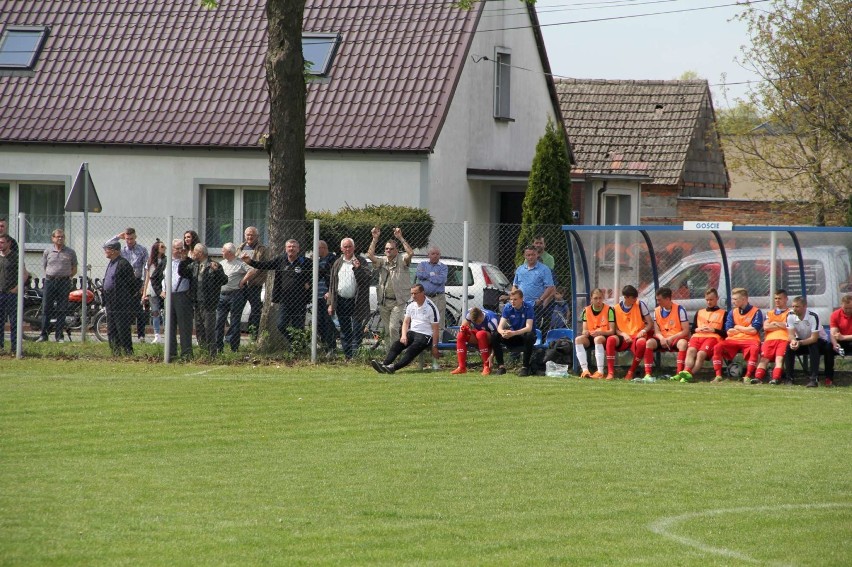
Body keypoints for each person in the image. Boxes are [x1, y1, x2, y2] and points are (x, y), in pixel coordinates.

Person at [242, 238, 312, 343]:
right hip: (284, 300)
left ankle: (297, 349)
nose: (291, 249)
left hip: (300, 300)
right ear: (285, 249)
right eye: (289, 247)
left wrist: (309, 283)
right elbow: (264, 265)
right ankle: (294, 343)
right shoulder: (280, 260)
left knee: (298, 327)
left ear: (298, 249)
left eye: (294, 247)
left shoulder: (305, 262)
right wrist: (250, 262)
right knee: (281, 325)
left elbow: (319, 273)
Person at [370, 284, 440, 374]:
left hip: (425, 335)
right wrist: (403, 335)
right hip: (412, 332)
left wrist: (434, 347)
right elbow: (406, 322)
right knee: (397, 345)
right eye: (412, 294)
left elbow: (435, 329)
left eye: (415, 293)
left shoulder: (431, 307)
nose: (413, 296)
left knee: (411, 350)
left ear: (423, 293)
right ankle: (384, 364)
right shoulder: (411, 305)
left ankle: (394, 367)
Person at [367, 226, 413, 346]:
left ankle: (395, 352)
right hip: (384, 301)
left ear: (396, 251)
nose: (388, 251)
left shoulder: (402, 260)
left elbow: (410, 253)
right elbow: (370, 256)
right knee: (387, 331)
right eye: (386, 249)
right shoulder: (382, 261)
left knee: (393, 327)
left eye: (391, 249)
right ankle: (390, 354)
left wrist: (400, 237)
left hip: (398, 301)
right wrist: (375, 239)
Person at [327, 237, 371, 361]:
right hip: (341, 301)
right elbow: (332, 284)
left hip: (357, 301)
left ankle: (355, 355)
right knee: (345, 330)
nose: (347, 249)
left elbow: (366, 280)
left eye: (349, 246)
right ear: (341, 249)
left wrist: (358, 269)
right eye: (345, 247)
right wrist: (330, 303)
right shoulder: (337, 263)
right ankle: (348, 356)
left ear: (354, 248)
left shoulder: (361, 261)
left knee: (357, 329)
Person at [711, 287, 764, 384]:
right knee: (717, 347)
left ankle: (747, 376)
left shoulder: (756, 312)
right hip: (733, 339)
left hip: (750, 340)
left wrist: (737, 327)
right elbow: (729, 331)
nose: (733, 301)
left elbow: (753, 330)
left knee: (754, 349)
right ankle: (718, 375)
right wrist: (745, 329)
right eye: (733, 299)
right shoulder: (733, 312)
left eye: (735, 299)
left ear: (744, 299)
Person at [104, 228, 148, 342]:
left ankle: (141, 335)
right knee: (124, 311)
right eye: (127, 239)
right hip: (124, 283)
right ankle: (122, 336)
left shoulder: (142, 250)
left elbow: (146, 268)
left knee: (139, 310)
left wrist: (144, 285)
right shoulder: (122, 250)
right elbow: (106, 245)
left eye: (131, 238)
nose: (129, 241)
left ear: (135, 237)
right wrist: (118, 237)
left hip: (137, 281)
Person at [676, 288, 726, 383]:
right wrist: (697, 329)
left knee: (700, 354)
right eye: (707, 299)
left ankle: (689, 374)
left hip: (712, 338)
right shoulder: (699, 312)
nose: (709, 302)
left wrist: (714, 330)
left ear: (717, 298)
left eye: (711, 299)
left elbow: (726, 332)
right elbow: (692, 329)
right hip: (697, 336)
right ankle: (686, 371)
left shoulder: (723, 313)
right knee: (690, 351)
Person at [604, 285, 653, 381]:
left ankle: (630, 372)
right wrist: (623, 334)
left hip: (637, 335)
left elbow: (650, 323)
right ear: (626, 297)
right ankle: (610, 373)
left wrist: (643, 331)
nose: (635, 299)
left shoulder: (640, 305)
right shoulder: (615, 308)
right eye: (633, 298)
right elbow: (616, 329)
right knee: (610, 340)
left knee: (642, 342)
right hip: (624, 337)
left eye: (636, 297)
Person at [37, 228, 78, 343]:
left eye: (62, 237)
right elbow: (45, 267)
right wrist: (53, 275)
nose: (60, 239)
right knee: (46, 308)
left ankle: (59, 336)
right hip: (50, 282)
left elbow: (74, 268)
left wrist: (66, 276)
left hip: (64, 282)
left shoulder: (70, 252)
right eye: (57, 237)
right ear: (53, 238)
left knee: (61, 309)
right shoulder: (47, 251)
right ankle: (43, 335)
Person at [646, 287, 690, 381]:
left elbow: (685, 330)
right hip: (662, 338)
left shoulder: (680, 309)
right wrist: (661, 338)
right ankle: (647, 374)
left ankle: (679, 373)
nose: (658, 302)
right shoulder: (657, 311)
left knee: (683, 343)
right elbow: (656, 331)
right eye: (657, 300)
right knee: (649, 342)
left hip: (676, 338)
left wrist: (671, 338)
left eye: (659, 300)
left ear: (667, 299)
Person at [785, 295, 830, 387]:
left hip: (819, 341)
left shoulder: (813, 316)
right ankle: (789, 378)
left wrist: (799, 343)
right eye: (793, 306)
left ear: (805, 306)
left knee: (813, 346)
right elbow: (790, 334)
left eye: (797, 306)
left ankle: (814, 379)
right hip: (802, 340)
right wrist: (793, 341)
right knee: (789, 347)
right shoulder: (790, 315)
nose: (794, 309)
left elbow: (814, 338)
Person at [101, 240, 137, 355]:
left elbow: (132, 284)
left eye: (107, 249)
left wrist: (124, 297)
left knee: (122, 328)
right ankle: (115, 352)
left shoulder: (123, 264)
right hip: (110, 300)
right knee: (111, 329)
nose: (105, 251)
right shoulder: (111, 263)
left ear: (114, 250)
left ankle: (128, 352)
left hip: (120, 302)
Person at [191, 243, 227, 356]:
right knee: (199, 328)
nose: (193, 254)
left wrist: (217, 271)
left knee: (209, 329)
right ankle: (203, 352)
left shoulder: (214, 265)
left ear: (200, 253)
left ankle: (212, 354)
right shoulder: (194, 265)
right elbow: (182, 272)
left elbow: (224, 280)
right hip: (197, 302)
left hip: (209, 303)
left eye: (195, 252)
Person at [416, 245, 448, 369]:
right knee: (423, 326)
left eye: (437, 254)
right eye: (433, 254)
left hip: (438, 298)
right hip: (425, 299)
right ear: (428, 255)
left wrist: (428, 275)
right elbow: (419, 275)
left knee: (438, 327)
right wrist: (433, 274)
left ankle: (435, 361)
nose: (435, 256)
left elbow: (441, 280)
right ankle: (421, 362)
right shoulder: (422, 264)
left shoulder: (443, 267)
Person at [162, 238, 194, 360]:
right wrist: (161, 291)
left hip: (182, 296)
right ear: (171, 249)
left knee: (184, 326)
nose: (179, 251)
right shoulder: (165, 261)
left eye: (182, 248)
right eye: (177, 248)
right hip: (169, 296)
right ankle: (170, 353)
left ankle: (186, 354)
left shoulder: (188, 262)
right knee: (169, 326)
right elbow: (156, 276)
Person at [215, 242, 251, 353]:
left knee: (235, 322)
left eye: (223, 250)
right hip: (222, 295)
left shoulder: (239, 263)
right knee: (219, 321)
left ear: (229, 252)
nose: (221, 252)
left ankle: (234, 348)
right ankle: (218, 348)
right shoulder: (222, 263)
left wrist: (243, 282)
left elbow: (252, 270)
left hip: (235, 295)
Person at [493, 288, 537, 376]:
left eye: (515, 299)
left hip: (524, 337)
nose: (512, 302)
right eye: (511, 299)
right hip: (513, 336)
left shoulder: (528, 307)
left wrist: (513, 333)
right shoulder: (507, 307)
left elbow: (529, 327)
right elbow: (500, 327)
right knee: (495, 335)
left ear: (522, 299)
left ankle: (525, 367)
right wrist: (503, 333)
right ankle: (501, 367)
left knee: (529, 335)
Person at [573, 288, 615, 379]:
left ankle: (600, 372)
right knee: (578, 339)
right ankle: (585, 370)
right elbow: (584, 330)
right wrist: (586, 332)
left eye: (600, 298)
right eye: (595, 298)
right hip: (591, 336)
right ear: (591, 299)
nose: (598, 300)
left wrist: (600, 332)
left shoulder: (609, 310)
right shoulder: (586, 310)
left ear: (603, 298)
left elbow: (612, 331)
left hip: (603, 336)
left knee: (598, 339)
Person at [513, 245, 555, 333]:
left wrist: (541, 299)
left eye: (533, 255)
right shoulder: (520, 269)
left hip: (535, 305)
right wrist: (514, 299)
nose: (530, 257)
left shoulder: (544, 269)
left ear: (537, 255)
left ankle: (534, 345)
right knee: (519, 327)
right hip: (520, 304)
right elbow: (515, 286)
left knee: (533, 329)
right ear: (524, 256)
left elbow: (550, 287)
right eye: (528, 255)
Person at [237, 226, 269, 339]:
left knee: (255, 308)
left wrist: (247, 278)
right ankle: (235, 335)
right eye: (248, 235)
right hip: (240, 284)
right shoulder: (240, 247)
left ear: (257, 236)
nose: (249, 237)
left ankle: (254, 334)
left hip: (254, 283)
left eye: (252, 235)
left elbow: (260, 267)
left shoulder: (262, 249)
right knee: (237, 308)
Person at [755, 290, 791, 385]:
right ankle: (757, 378)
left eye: (780, 298)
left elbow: (789, 325)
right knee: (764, 359)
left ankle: (775, 378)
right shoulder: (770, 313)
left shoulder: (790, 313)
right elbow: (766, 327)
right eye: (775, 298)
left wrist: (774, 323)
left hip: (784, 339)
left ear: (786, 299)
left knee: (779, 359)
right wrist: (781, 324)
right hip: (769, 340)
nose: (777, 301)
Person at [450, 306, 499, 375]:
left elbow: (496, 339)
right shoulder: (470, 313)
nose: (477, 323)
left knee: (480, 334)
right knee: (461, 335)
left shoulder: (491, 320)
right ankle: (461, 367)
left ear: (481, 315)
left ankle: (486, 366)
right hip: (478, 335)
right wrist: (464, 329)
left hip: (490, 338)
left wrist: (492, 355)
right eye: (474, 322)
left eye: (478, 321)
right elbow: (463, 325)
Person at [315, 240, 338, 357]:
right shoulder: (317, 261)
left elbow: (334, 278)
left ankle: (331, 347)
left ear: (323, 248)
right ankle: (324, 346)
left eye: (317, 249)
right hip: (317, 297)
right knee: (318, 323)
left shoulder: (332, 260)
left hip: (327, 297)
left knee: (328, 322)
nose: (315, 251)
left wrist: (330, 291)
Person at [142, 240, 167, 344]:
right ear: (156, 248)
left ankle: (167, 332)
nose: (164, 248)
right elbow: (148, 277)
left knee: (166, 311)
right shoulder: (150, 261)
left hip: (164, 287)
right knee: (155, 312)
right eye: (162, 246)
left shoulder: (166, 260)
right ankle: (157, 334)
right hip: (153, 288)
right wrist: (144, 292)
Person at [827, 293, 852, 385]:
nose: (848, 310)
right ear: (842, 305)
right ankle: (828, 378)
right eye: (846, 308)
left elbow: (841, 336)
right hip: (842, 341)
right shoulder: (835, 315)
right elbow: (833, 332)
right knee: (828, 348)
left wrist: (843, 337)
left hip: (848, 339)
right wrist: (835, 344)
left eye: (850, 308)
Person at [0, 234, 18, 349]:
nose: (0, 245)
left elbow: (25, 274)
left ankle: (14, 347)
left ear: (9, 243)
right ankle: (0, 346)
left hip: (11, 294)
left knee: (13, 321)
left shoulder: (15, 257)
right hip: (0, 293)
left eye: (2, 242)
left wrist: (16, 288)